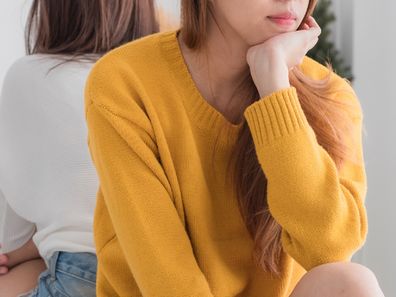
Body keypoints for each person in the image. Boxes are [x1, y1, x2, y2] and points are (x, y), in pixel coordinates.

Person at [84, 0, 385, 296]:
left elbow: (330, 249)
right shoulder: (125, 82)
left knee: (350, 282)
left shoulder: (331, 95)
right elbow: (166, 282)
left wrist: (275, 91)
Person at [0, 1, 158, 296]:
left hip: (82, 274)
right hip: (159, 276)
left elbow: (12, 240)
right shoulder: (161, 82)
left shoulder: (29, 76)